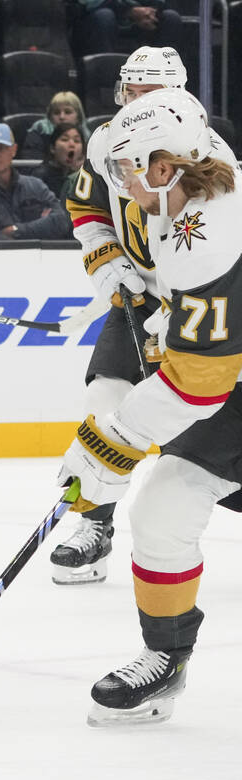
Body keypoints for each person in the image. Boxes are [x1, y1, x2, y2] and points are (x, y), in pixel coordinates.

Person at [57, 88, 242, 726]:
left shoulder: (210, 236)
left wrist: (109, 445)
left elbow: (199, 384)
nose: (119, 183)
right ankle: (167, 659)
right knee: (164, 508)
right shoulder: (190, 164)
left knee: (163, 496)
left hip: (228, 378)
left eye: (126, 170)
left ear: (162, 169)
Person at [53, 45, 235, 583]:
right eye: (130, 91)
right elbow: (85, 206)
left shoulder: (204, 154)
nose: (136, 103)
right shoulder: (110, 139)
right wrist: (106, 262)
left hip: (198, 298)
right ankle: (94, 524)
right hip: (137, 292)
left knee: (187, 421)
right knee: (103, 397)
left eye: (149, 94)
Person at [0, 122, 71, 241]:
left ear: (14, 150)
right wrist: (40, 228)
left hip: (44, 256)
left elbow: (61, 221)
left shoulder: (36, 186)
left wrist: (16, 231)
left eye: (2, 148)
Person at [71, 1, 181, 58]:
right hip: (95, 20)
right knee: (104, 16)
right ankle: (107, 83)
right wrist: (129, 11)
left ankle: (161, 82)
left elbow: (160, 3)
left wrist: (148, 12)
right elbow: (91, 4)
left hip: (139, 20)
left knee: (171, 18)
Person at [21, 91, 90, 161]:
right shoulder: (38, 132)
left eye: (67, 112)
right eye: (56, 113)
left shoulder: (87, 136)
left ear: (78, 117)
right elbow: (31, 167)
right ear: (50, 117)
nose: (62, 117)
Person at [31, 122, 85, 198]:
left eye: (77, 141)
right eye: (65, 139)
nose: (72, 144)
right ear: (52, 148)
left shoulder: (85, 177)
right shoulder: (40, 176)